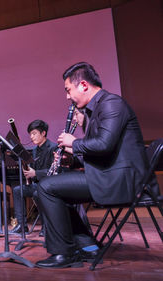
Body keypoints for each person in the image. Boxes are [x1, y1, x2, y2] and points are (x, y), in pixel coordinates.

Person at [35, 62, 156, 268]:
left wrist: (74, 143)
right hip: (109, 174)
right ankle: (89, 247)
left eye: (68, 90)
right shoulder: (98, 108)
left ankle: (63, 253)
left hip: (122, 181)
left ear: (83, 85)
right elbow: (100, 153)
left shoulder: (111, 104)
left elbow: (104, 145)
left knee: (46, 187)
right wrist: (71, 158)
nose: (67, 96)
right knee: (49, 188)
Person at [9, 120, 56, 236]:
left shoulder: (53, 147)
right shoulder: (34, 150)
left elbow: (55, 171)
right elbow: (33, 169)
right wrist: (28, 171)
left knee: (37, 194)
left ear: (43, 133)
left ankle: (47, 225)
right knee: (17, 190)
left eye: (34, 133)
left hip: (49, 186)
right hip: (37, 185)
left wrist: (35, 173)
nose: (31, 136)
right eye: (30, 134)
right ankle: (22, 225)